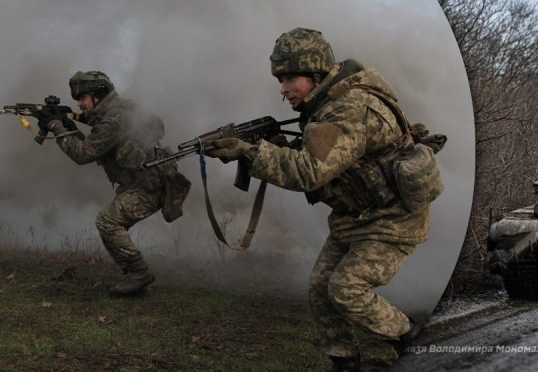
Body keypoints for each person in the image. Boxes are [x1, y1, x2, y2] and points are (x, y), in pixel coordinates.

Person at [205, 28, 443, 372]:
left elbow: (310, 172)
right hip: (355, 217)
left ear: (315, 74)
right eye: (280, 80)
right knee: (320, 289)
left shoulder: (349, 108)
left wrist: (250, 152)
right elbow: (323, 158)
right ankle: (344, 362)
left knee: (347, 289)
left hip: (393, 218)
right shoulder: (325, 105)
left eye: (290, 78)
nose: (283, 89)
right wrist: (270, 149)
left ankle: (414, 340)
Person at [43, 71, 190, 295]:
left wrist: (56, 127)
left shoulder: (114, 119)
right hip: (147, 183)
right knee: (111, 222)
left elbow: (83, 153)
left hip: (150, 188)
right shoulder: (121, 109)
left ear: (98, 95)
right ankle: (137, 277)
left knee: (108, 221)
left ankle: (138, 274)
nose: (79, 103)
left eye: (82, 98)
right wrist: (67, 124)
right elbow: (95, 143)